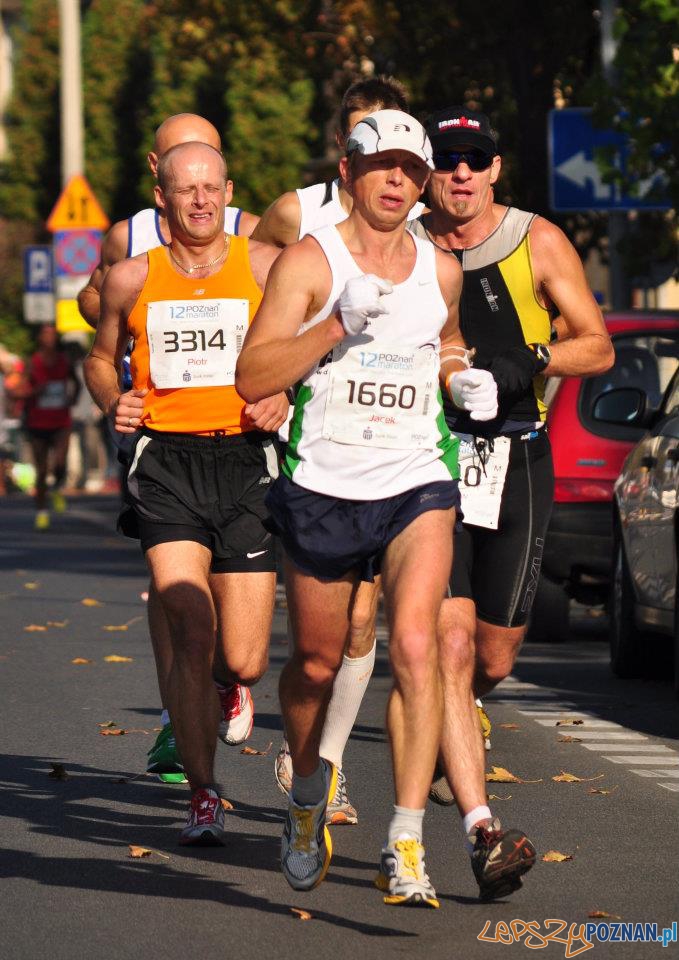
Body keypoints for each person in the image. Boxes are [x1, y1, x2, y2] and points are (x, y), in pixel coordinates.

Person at [236, 109, 498, 905]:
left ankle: (405, 840)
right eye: (381, 164)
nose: (397, 180)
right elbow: (253, 375)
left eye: (410, 169)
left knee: (416, 644)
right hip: (325, 484)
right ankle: (306, 792)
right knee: (316, 665)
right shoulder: (308, 262)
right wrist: (332, 326)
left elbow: (445, 338)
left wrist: (459, 377)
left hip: (416, 477)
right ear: (347, 171)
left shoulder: (439, 268)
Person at [409, 106, 614, 898]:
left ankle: (445, 719)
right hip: (428, 457)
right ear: (428, 171)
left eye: (475, 158)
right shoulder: (407, 245)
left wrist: (529, 358)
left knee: (491, 658)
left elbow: (595, 344)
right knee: (452, 643)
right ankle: (481, 830)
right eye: (447, 159)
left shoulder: (537, 239)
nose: (460, 172)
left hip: (515, 456)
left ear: (494, 169)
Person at [84, 141, 287, 844]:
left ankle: (231, 685)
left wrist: (285, 393)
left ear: (227, 193)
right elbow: (100, 358)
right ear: (162, 198)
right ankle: (203, 794)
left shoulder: (265, 266)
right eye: (185, 189)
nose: (200, 200)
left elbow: (310, 346)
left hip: (246, 463)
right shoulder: (131, 277)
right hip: (166, 464)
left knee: (245, 657)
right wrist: (114, 399)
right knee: (190, 629)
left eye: (210, 188)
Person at [254, 76, 422, 826]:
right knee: (319, 645)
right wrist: (283, 366)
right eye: (367, 139)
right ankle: (305, 754)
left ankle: (332, 764)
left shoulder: (412, 218)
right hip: (309, 433)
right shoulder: (299, 213)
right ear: (343, 150)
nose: (389, 164)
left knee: (368, 622)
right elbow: (252, 285)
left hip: (393, 446)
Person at [77, 113, 259, 329]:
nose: (195, 161)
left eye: (207, 151)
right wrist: (130, 326)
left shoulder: (249, 231)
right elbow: (92, 294)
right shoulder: (129, 236)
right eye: (179, 153)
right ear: (155, 164)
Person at [23, 325, 80, 530]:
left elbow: (76, 383)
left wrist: (72, 399)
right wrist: (35, 392)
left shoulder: (64, 360)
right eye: (45, 335)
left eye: (52, 335)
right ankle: (42, 513)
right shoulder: (32, 362)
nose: (49, 339)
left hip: (61, 421)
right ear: (39, 338)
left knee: (60, 464)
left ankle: (56, 486)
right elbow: (20, 389)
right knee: (41, 471)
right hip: (37, 422)